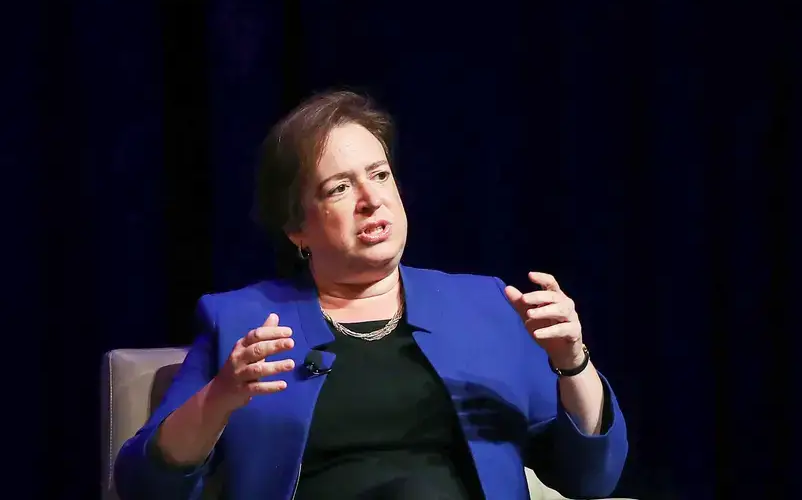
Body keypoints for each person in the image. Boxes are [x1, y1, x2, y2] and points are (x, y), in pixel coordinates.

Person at [113, 89, 628, 500]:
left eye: (379, 175)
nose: (370, 199)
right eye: (339, 187)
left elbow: (590, 479)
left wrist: (572, 363)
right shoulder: (242, 319)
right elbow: (147, 484)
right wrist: (221, 397)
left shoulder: (486, 306)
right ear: (298, 229)